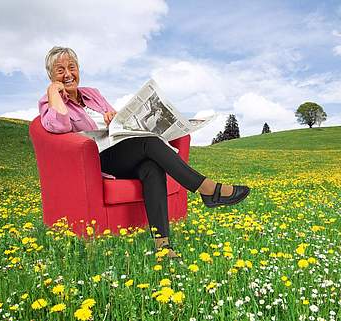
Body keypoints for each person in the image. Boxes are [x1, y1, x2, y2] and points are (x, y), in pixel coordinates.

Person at [38, 46, 250, 259]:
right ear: (51, 76)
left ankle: (162, 246)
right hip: (98, 160)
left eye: (72, 67)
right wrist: (53, 91)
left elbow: (116, 123)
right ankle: (208, 189)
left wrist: (113, 117)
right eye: (60, 70)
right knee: (150, 143)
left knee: (151, 167)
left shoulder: (92, 94)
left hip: (119, 149)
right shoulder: (49, 102)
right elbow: (60, 125)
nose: (68, 74)